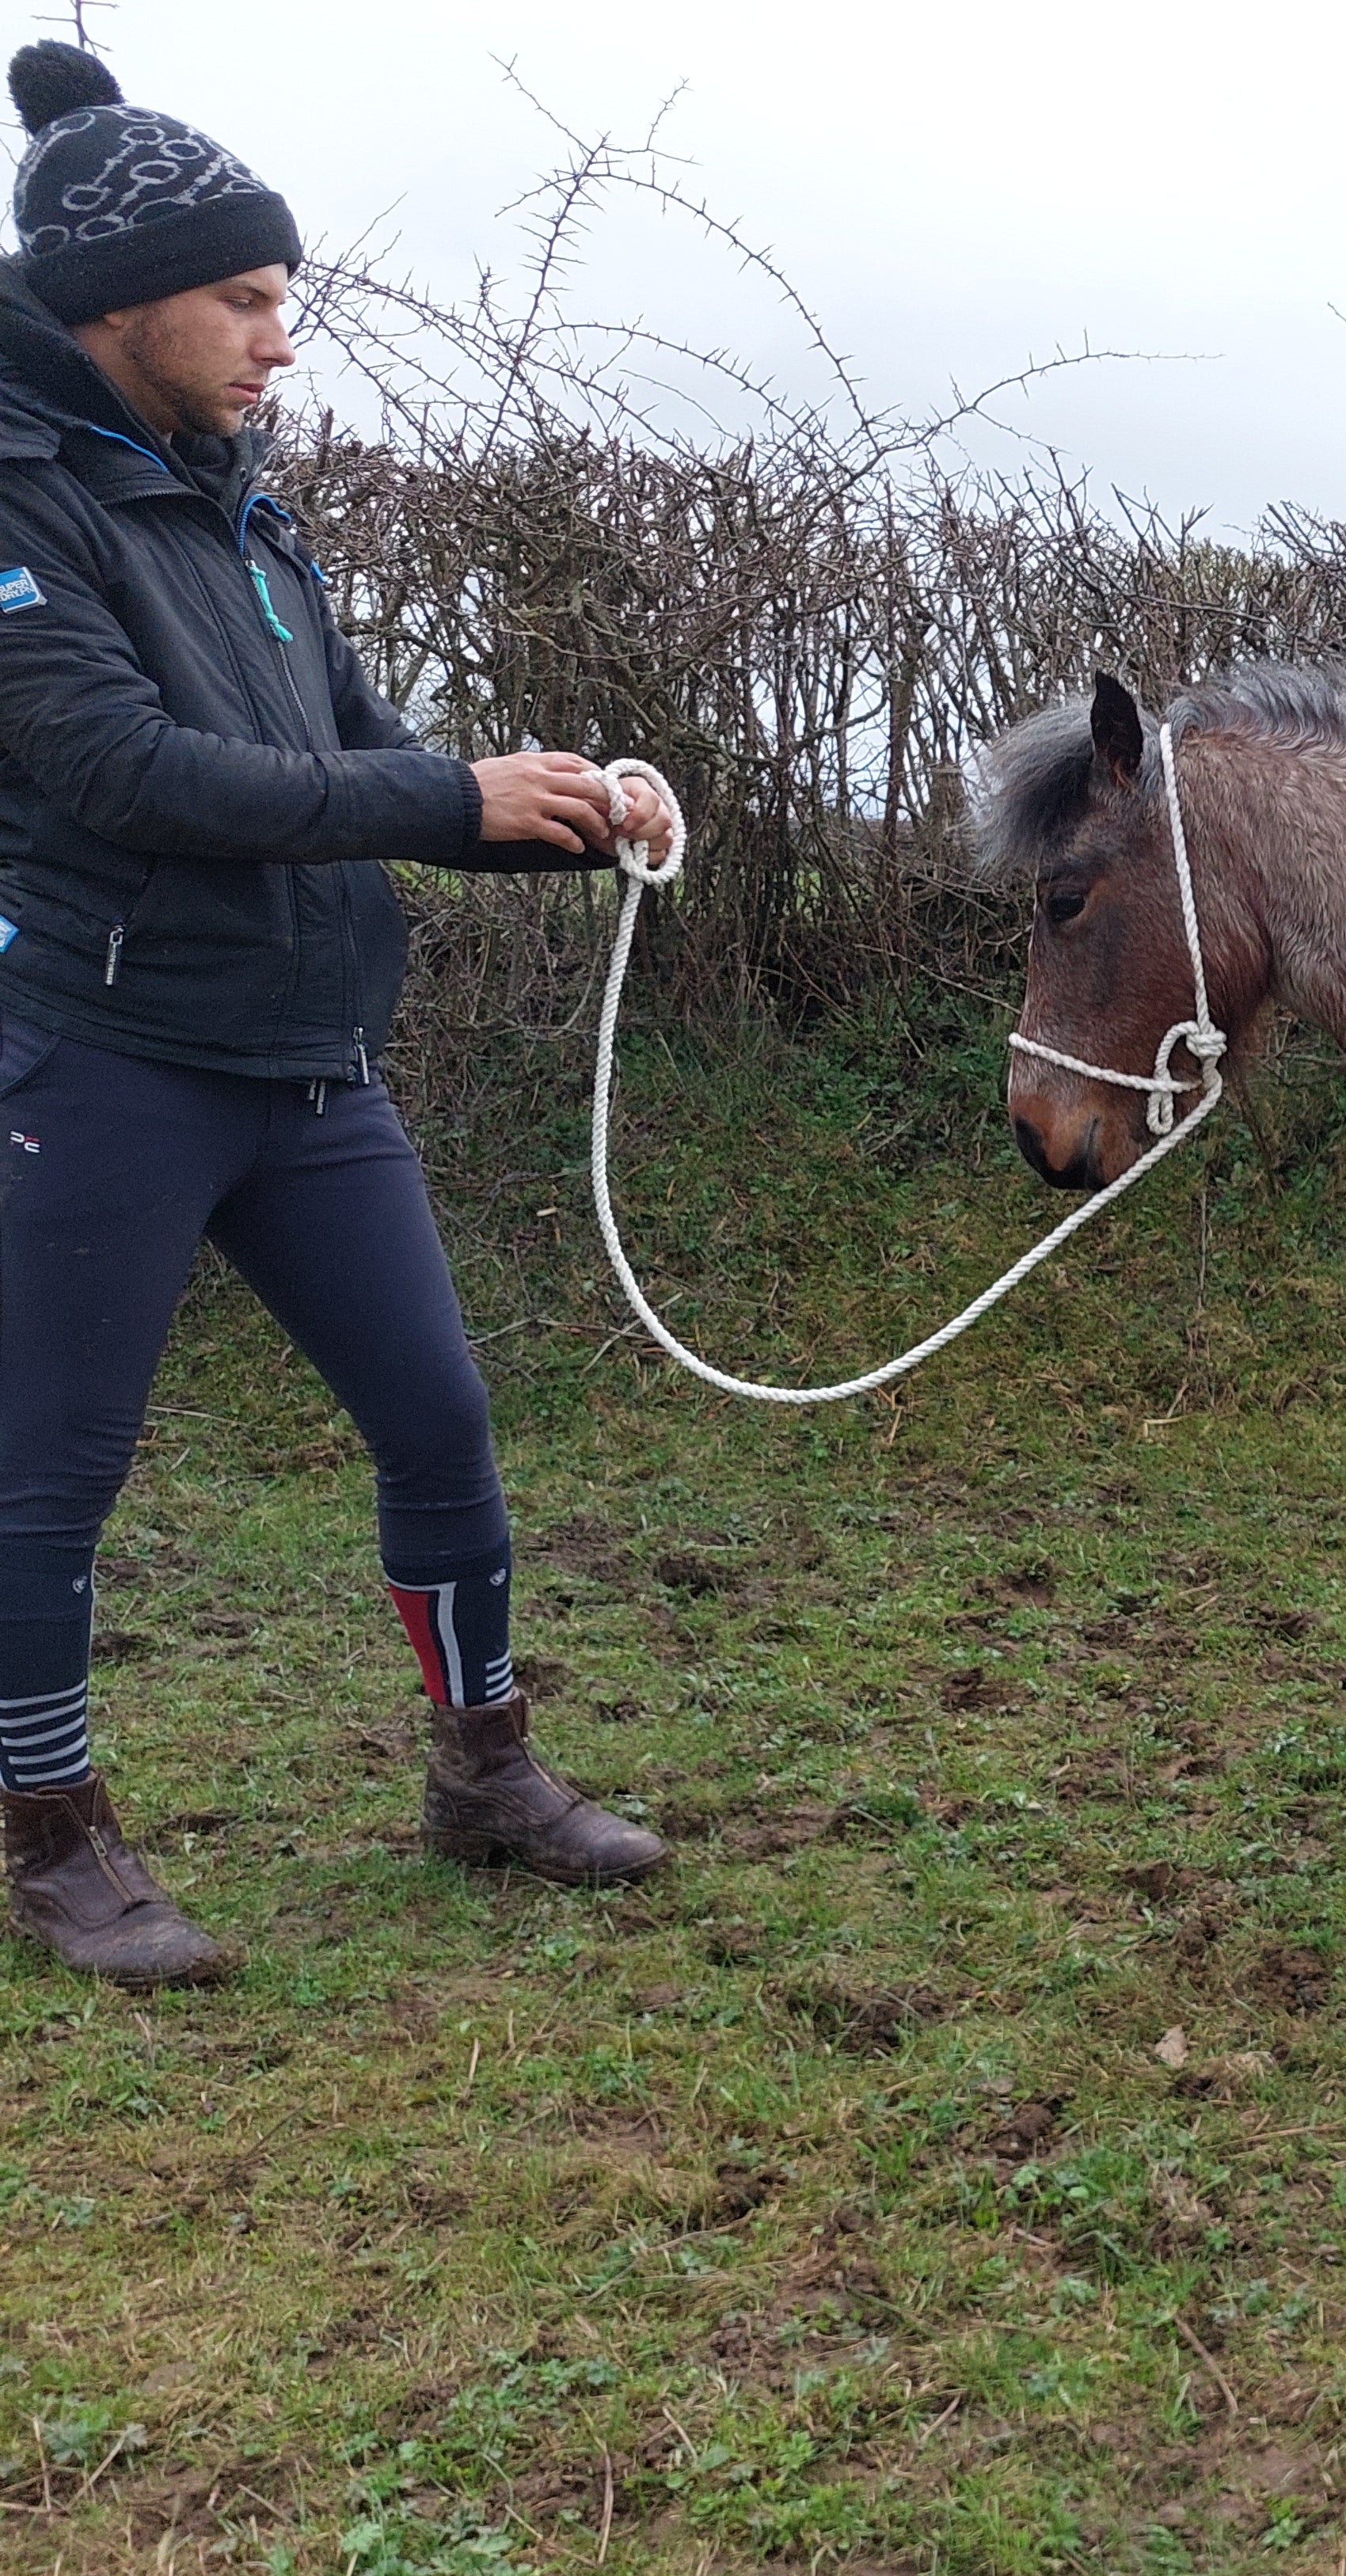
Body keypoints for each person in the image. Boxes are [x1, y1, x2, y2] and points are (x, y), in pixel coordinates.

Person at [0, 40, 677, 1987]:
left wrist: (553, 814)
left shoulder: (249, 511)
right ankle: (52, 1843)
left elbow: (359, 758)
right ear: (116, 309)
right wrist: (436, 798)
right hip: (105, 1057)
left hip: (306, 1064)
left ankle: (487, 1774)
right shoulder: (23, 503)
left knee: (440, 1420)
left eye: (282, 297)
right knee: (50, 1474)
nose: (280, 340)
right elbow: (128, 773)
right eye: (247, 299)